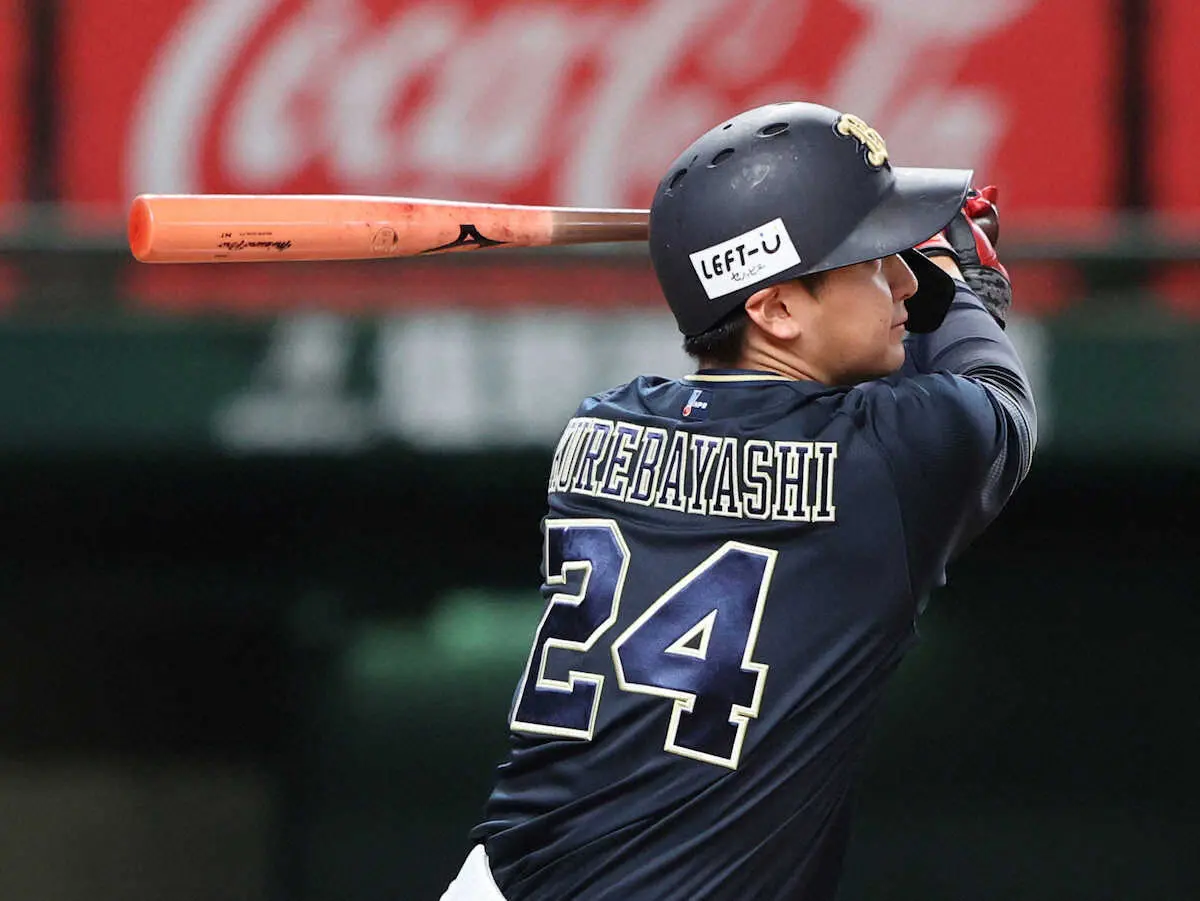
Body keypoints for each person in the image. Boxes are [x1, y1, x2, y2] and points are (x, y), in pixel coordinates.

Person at [440, 101, 1037, 901]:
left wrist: (889, 254)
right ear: (776, 309)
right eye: (873, 261)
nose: (903, 278)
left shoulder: (596, 429)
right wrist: (960, 287)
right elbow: (996, 396)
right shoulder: (890, 460)